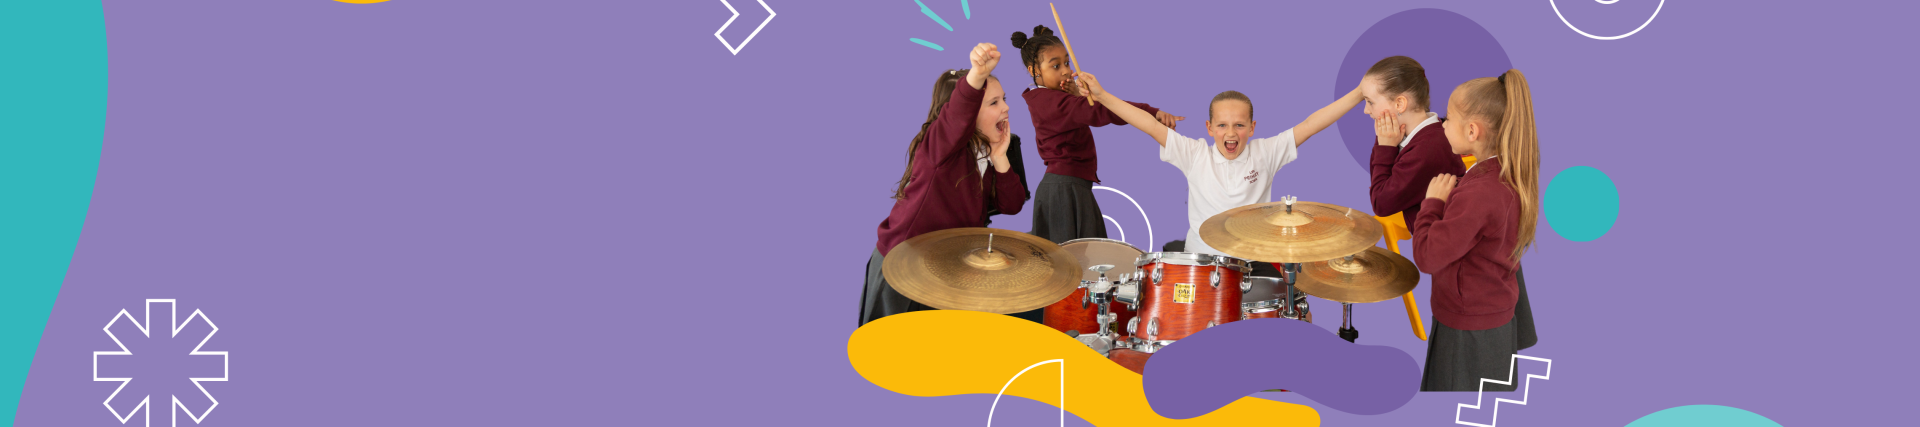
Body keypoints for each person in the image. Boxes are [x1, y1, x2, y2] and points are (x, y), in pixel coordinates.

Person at [859, 43, 1028, 326]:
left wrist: (1000, 158)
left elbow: (1012, 206)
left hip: (944, 269)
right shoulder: (939, 149)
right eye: (994, 102)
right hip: (903, 266)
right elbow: (957, 114)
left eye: (1004, 99)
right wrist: (977, 74)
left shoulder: (987, 153)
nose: (1006, 107)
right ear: (967, 115)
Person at [1411, 70, 1540, 391]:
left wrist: (1433, 203)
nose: (1442, 124)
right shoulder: (1509, 173)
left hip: (1468, 333)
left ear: (1472, 131)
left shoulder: (1478, 193)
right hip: (1495, 319)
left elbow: (1428, 257)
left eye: (1448, 118)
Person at [1010, 25, 1181, 245]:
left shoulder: (1052, 98)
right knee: (1076, 269)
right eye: (1055, 66)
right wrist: (1151, 112)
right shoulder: (1051, 102)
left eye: (1066, 62)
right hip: (1065, 190)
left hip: (1068, 187)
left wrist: (1075, 94)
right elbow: (1102, 110)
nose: (1065, 70)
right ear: (1034, 71)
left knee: (1081, 266)